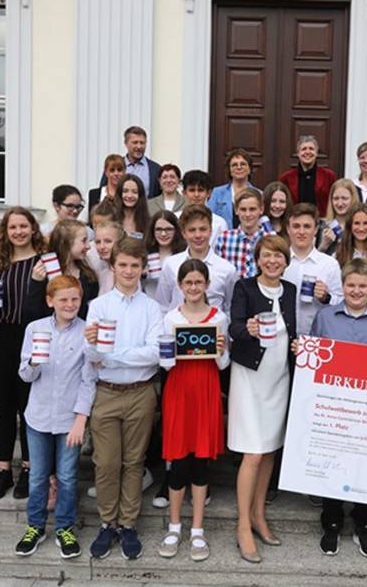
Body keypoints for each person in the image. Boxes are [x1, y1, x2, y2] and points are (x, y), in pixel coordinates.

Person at [310, 258, 367, 558]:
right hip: (333, 408)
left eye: (362, 286)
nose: (356, 291)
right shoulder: (326, 317)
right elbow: (313, 356)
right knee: (332, 463)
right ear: (343, 285)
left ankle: (364, 524)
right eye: (351, 285)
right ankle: (332, 522)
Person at [82, 237, 162, 561]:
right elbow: (92, 355)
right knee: (106, 463)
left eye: (134, 265)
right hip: (107, 393)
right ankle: (107, 522)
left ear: (143, 269)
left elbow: (155, 354)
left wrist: (113, 356)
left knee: (133, 463)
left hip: (141, 393)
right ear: (112, 267)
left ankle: (127, 524)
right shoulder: (99, 306)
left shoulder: (152, 308)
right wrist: (102, 352)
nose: (128, 270)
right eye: (123, 265)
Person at [228, 235, 297, 563]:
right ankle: (242, 525)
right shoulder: (245, 287)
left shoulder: (292, 290)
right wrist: (249, 328)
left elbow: (292, 331)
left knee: (269, 452)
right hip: (249, 379)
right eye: (267, 255)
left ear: (286, 260)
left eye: (279, 256)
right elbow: (234, 327)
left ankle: (258, 516)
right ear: (258, 259)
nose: (273, 261)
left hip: (278, 378)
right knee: (253, 455)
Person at [158, 259, 230, 562]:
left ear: (207, 285)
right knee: (178, 463)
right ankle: (174, 526)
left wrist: (223, 350)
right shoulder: (171, 317)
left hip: (206, 390)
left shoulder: (219, 317)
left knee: (201, 464)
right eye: (188, 283)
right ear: (180, 286)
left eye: (199, 282)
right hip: (179, 390)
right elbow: (164, 364)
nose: (194, 288)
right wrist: (172, 350)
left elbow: (223, 364)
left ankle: (197, 530)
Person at [14, 275, 90, 559]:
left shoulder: (86, 331)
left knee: (69, 476)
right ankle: (35, 526)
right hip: (38, 415)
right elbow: (25, 374)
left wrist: (81, 417)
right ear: (50, 301)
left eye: (75, 299)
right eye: (64, 299)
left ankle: (64, 527)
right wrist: (34, 361)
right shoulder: (35, 329)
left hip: (69, 418)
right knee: (37, 477)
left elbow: (88, 379)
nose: (70, 304)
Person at [0, 207, 45, 501]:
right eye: (13, 227)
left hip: (30, 340)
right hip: (0, 342)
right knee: (4, 409)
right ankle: (3, 470)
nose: (19, 231)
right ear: (6, 232)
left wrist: (38, 281)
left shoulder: (44, 262)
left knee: (28, 409)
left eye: (24, 226)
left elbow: (49, 304)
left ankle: (28, 468)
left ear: (33, 229)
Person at [156, 204, 238, 315]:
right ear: (183, 233)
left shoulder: (227, 270)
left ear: (211, 231)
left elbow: (230, 308)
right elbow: (163, 306)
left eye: (203, 229)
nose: (198, 235)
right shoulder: (171, 265)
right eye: (192, 230)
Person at [282, 203, 342, 335]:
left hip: (316, 339)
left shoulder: (329, 264)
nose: (301, 232)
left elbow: (341, 304)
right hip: (281, 338)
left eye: (307, 226)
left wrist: (326, 297)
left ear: (315, 230)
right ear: (288, 229)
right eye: (296, 226)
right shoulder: (278, 263)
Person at [25, 219, 99, 323]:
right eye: (83, 240)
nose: (88, 246)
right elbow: (32, 313)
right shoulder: (44, 271)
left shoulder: (88, 275)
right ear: (67, 242)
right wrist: (36, 282)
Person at [278, 135, 337, 216]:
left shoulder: (329, 176)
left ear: (316, 153)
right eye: (303, 149)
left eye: (311, 149)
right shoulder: (286, 178)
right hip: (294, 221)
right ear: (298, 154)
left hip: (322, 222)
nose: (307, 152)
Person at [214, 188, 267, 279]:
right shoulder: (224, 239)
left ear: (261, 209)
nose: (247, 214)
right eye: (243, 209)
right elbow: (217, 272)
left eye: (252, 209)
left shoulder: (269, 239)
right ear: (236, 210)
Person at [208, 148, 260, 229]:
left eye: (243, 164)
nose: (239, 167)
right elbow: (210, 218)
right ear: (229, 170)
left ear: (249, 169)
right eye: (234, 165)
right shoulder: (217, 193)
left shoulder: (259, 194)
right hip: (224, 239)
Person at [109, 125, 161, 199]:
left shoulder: (155, 169)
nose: (139, 146)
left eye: (142, 143)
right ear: (126, 143)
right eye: (135, 142)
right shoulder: (114, 167)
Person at [142, 210, 185, 299]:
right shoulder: (143, 254)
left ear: (176, 230)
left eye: (168, 229)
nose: (163, 234)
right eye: (159, 229)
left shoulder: (184, 255)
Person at [181, 169, 227, 245]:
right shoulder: (175, 219)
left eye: (200, 190)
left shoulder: (220, 223)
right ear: (184, 193)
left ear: (209, 193)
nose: (196, 195)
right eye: (192, 190)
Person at [317, 178, 360, 256]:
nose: (340, 204)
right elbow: (314, 261)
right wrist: (324, 245)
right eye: (336, 198)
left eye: (344, 198)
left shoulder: (359, 225)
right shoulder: (322, 226)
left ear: (353, 199)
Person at [87, 221, 125, 295]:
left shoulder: (128, 272)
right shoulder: (102, 273)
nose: (102, 247)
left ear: (120, 242)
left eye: (108, 241)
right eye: (98, 242)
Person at [88, 154, 125, 222]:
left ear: (124, 172)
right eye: (112, 170)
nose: (116, 173)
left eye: (119, 170)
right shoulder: (93, 194)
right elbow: (83, 220)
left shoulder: (127, 195)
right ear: (106, 172)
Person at [113, 174, 151, 238]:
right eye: (125, 191)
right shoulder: (111, 218)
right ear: (119, 194)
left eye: (134, 192)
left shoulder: (149, 222)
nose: (129, 195)